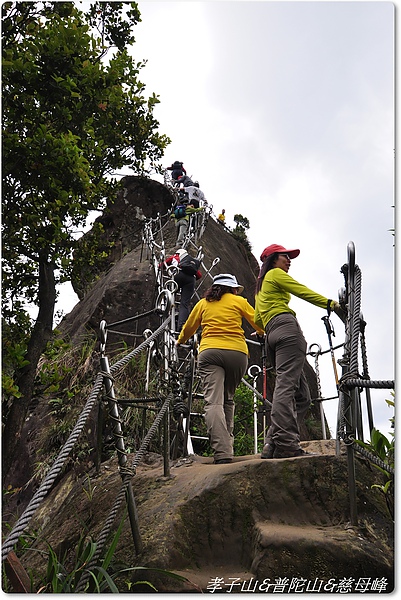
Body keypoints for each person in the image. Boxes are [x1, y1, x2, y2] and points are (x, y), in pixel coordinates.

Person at [254, 244, 346, 460]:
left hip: (271, 334)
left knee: (302, 396)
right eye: (285, 256)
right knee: (286, 388)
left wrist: (269, 327)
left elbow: (258, 319)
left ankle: (272, 442)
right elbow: (302, 291)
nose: (289, 260)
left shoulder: (260, 289)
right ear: (272, 260)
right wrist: (332, 305)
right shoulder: (275, 274)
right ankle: (286, 443)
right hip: (287, 328)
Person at [176, 274, 264, 464]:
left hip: (210, 352)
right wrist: (262, 332)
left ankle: (222, 452)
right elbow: (259, 321)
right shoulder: (239, 301)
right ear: (232, 288)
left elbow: (189, 327)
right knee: (227, 400)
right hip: (237, 353)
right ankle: (228, 446)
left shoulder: (203, 304)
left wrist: (180, 341)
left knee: (213, 403)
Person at [160, 249, 202, 332]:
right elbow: (199, 275)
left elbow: (161, 266)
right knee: (184, 303)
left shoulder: (174, 257)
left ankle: (168, 313)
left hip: (177, 275)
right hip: (190, 280)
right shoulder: (189, 262)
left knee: (171, 296)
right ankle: (181, 325)